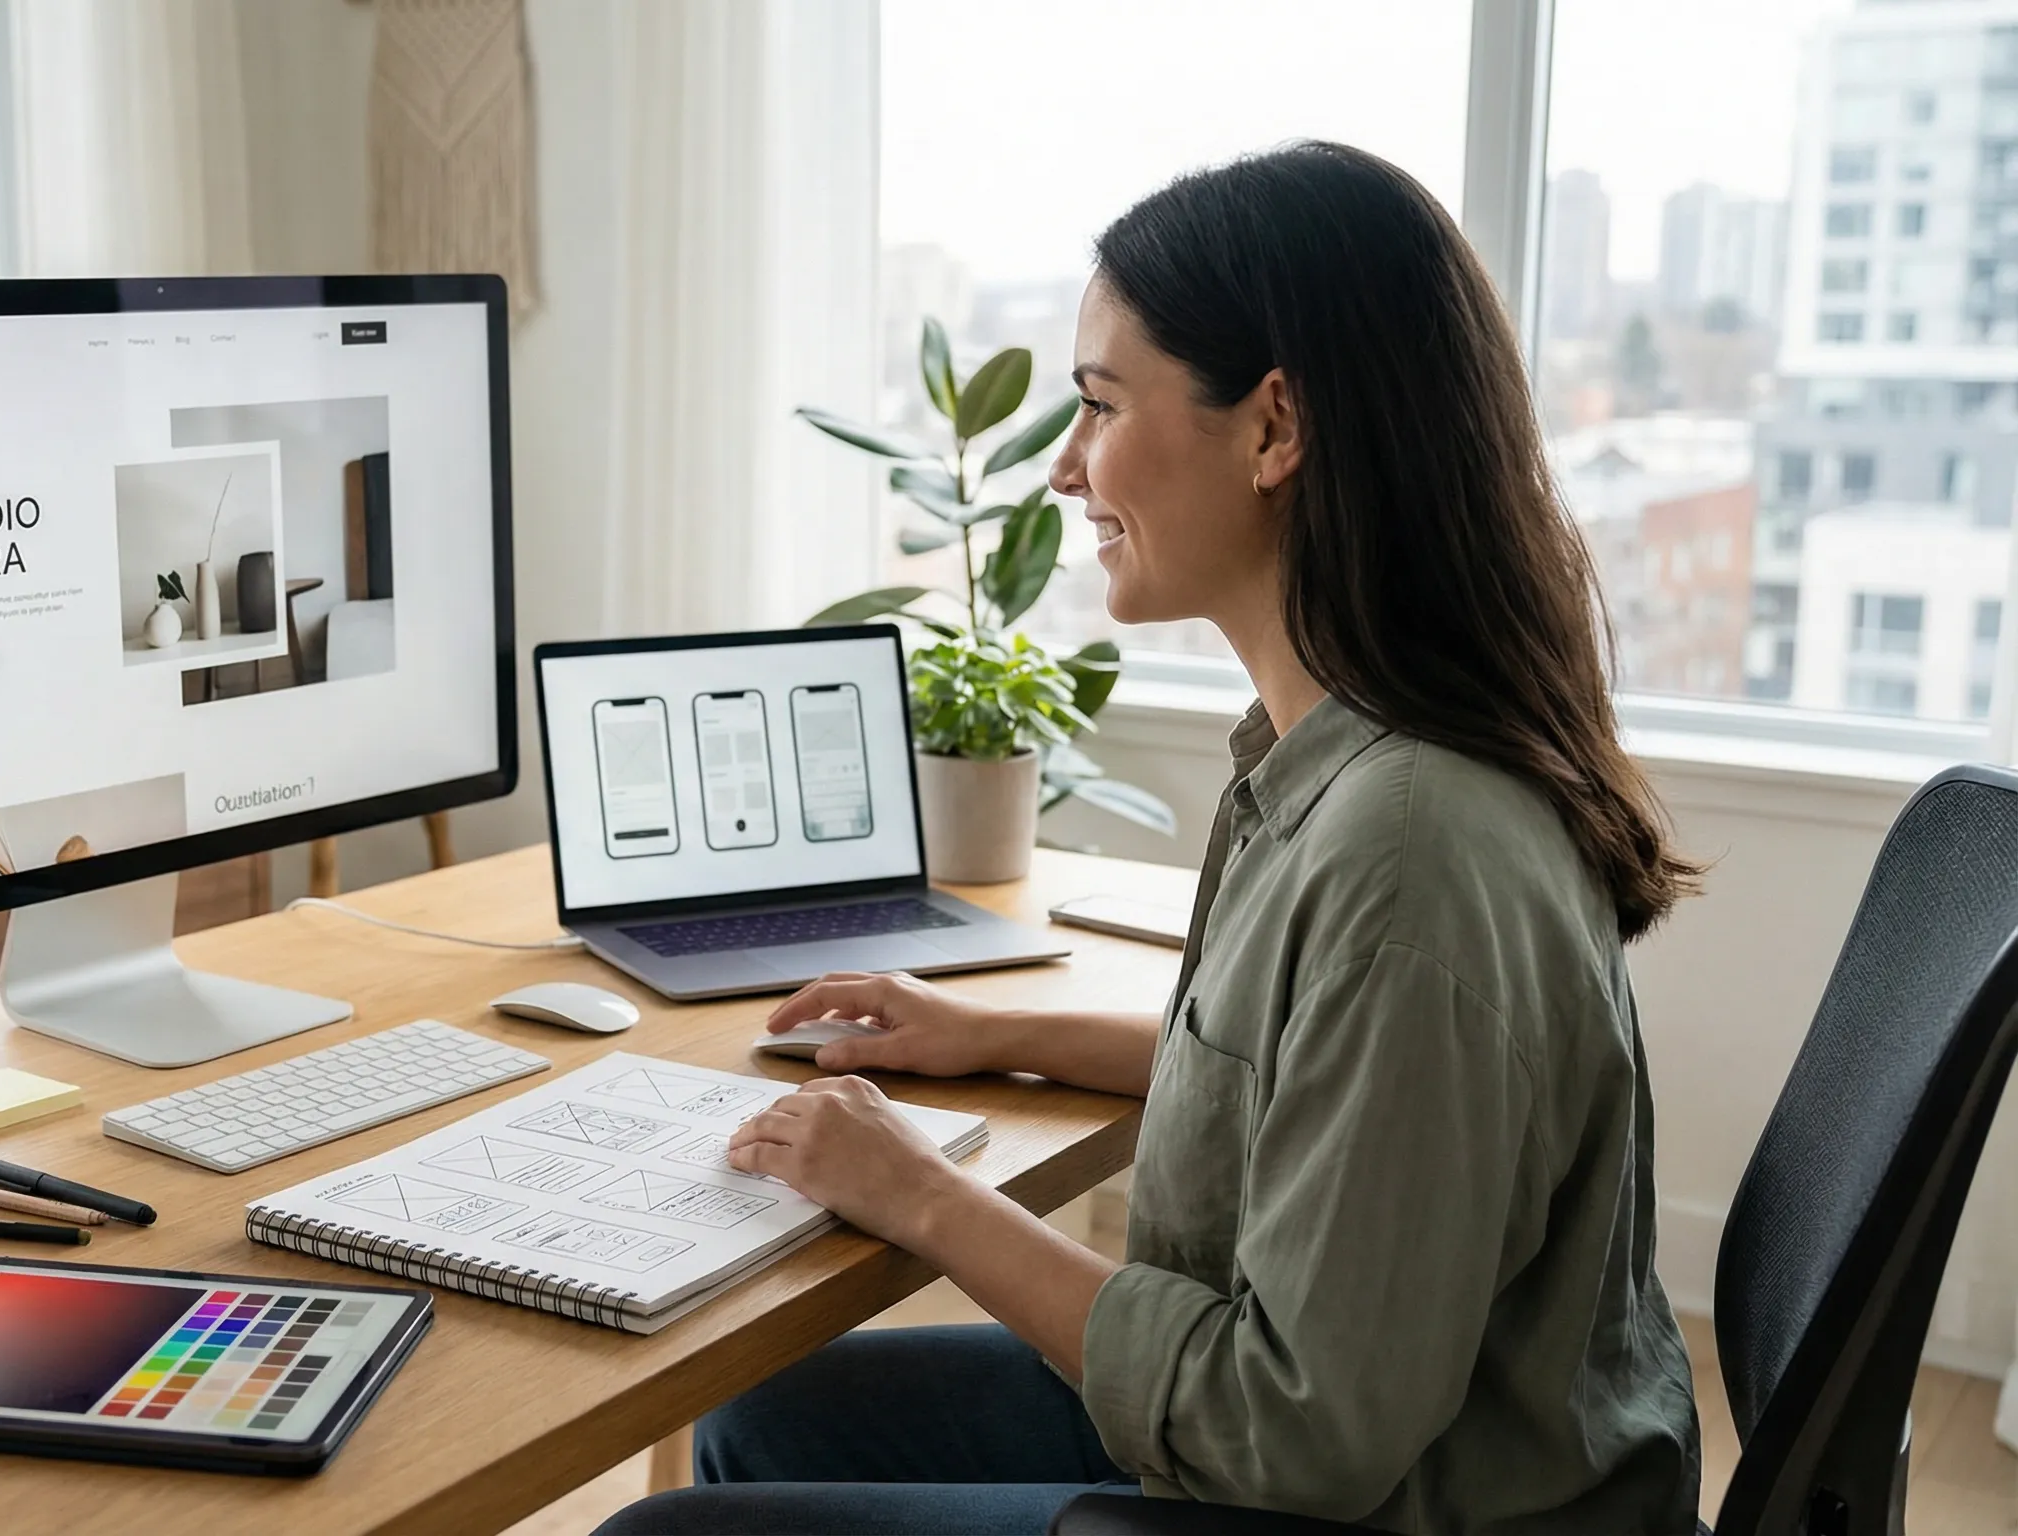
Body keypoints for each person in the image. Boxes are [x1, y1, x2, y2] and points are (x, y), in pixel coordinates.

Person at [596, 140, 1705, 1535]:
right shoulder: (1342, 764)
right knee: (763, 1419)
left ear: (1275, 428)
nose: (1066, 469)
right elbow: (1306, 1083)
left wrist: (920, 1193)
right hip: (1368, 1442)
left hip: (1376, 1501)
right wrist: (992, 1033)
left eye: (1101, 405)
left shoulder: (1410, 857)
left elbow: (1291, 1434)